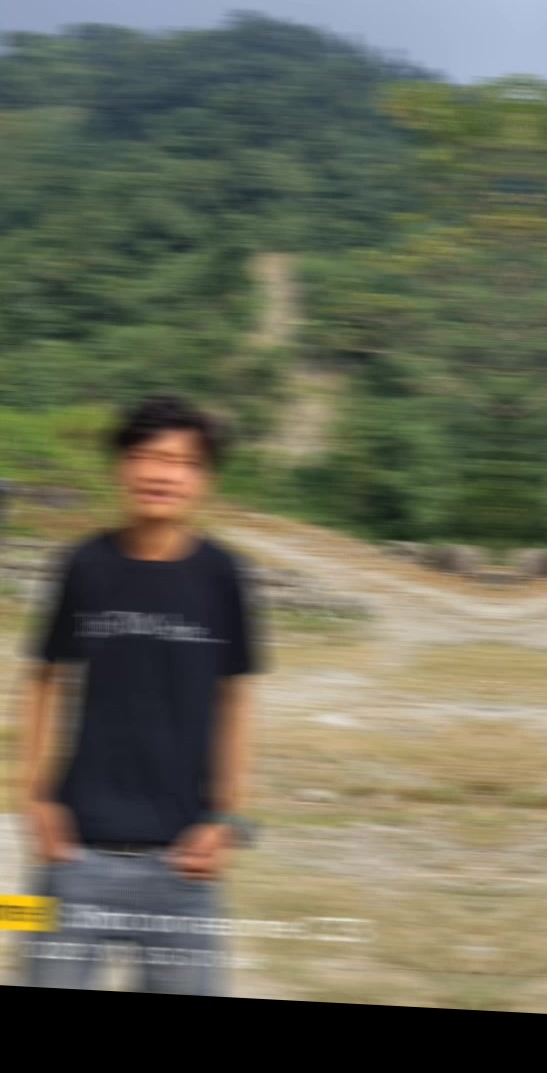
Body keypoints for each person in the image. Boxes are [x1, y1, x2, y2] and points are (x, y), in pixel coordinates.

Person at [19, 393, 268, 993]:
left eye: (183, 462)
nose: (163, 474)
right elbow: (45, 678)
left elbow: (235, 699)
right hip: (68, 855)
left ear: (204, 480)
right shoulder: (80, 563)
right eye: (148, 456)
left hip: (186, 864)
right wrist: (32, 798)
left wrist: (228, 817)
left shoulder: (226, 575)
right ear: (121, 466)